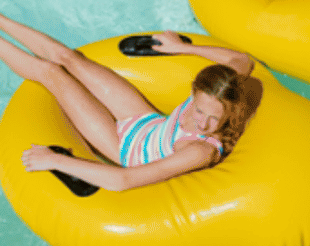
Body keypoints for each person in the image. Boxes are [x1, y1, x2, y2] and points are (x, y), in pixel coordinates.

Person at [1, 15, 254, 192]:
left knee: (52, 73)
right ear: (194, 91)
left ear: (230, 113)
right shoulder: (215, 89)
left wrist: (55, 160)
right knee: (68, 57)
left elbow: (123, 180)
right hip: (147, 121)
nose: (203, 122)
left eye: (214, 119)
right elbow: (242, 60)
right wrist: (182, 48)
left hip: (123, 147)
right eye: (199, 110)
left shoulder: (199, 150)